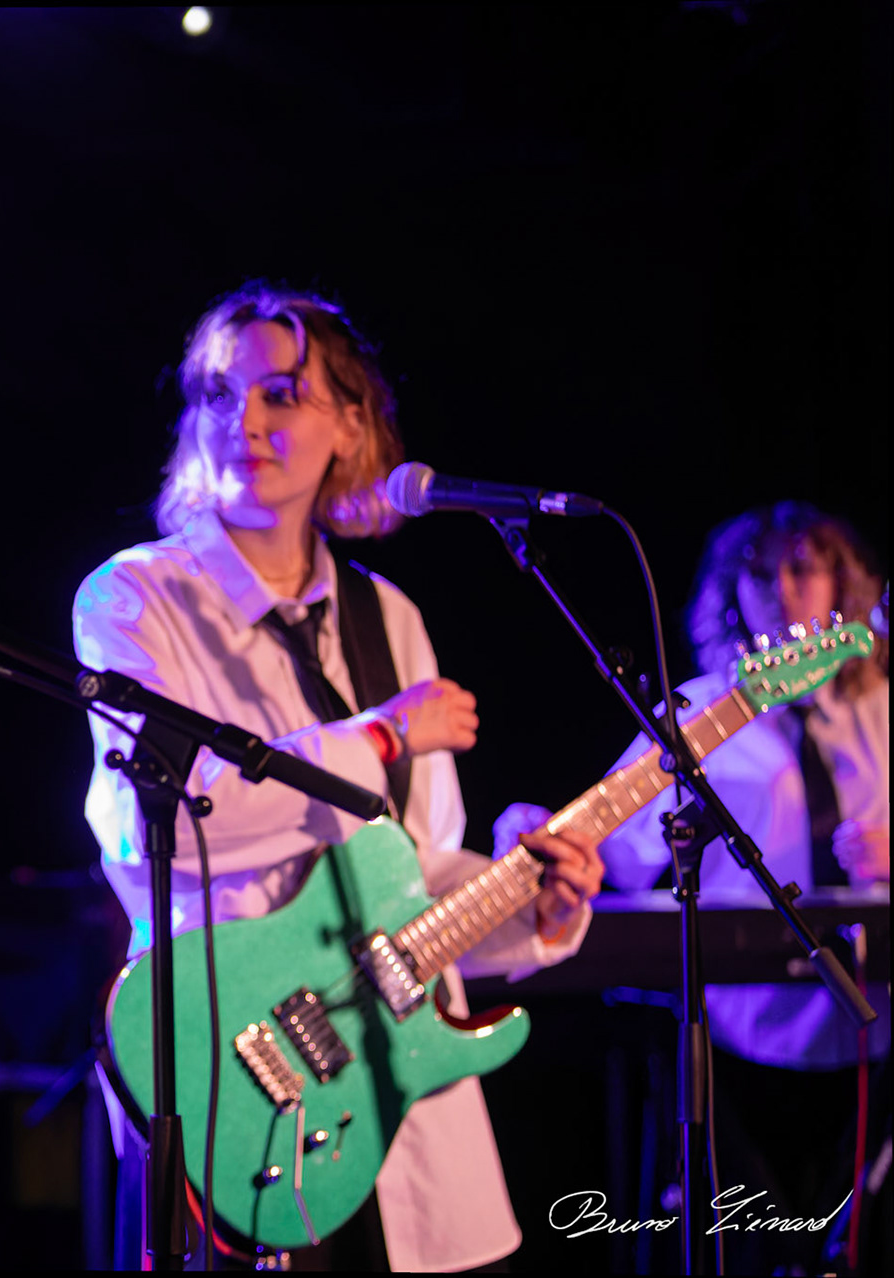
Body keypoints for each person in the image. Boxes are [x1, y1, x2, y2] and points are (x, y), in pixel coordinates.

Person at [73, 282, 606, 1272]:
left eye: (282, 394)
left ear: (350, 423)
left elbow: (411, 875)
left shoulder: (390, 619)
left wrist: (533, 901)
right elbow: (151, 824)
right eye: (218, 396)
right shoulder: (135, 596)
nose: (248, 423)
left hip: (388, 1095)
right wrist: (380, 739)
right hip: (234, 1078)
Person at [599, 501, 889, 1275]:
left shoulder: (882, 711)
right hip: (740, 1045)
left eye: (803, 567)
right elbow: (610, 860)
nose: (784, 591)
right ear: (734, 591)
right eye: (762, 573)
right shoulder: (697, 711)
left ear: (842, 584)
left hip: (875, 1044)